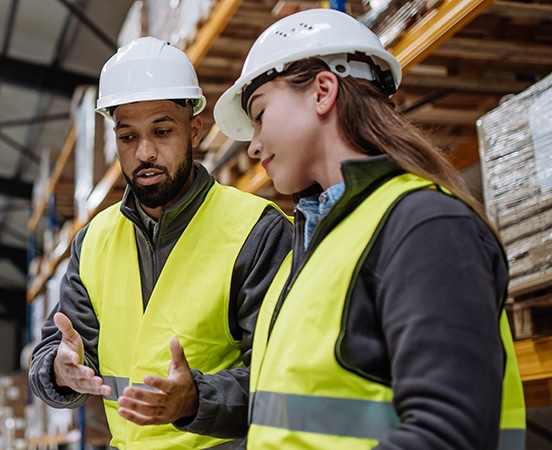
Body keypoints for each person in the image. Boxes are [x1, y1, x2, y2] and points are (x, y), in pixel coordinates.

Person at [210, 8, 527, 449]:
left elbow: (447, 433)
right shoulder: (315, 248)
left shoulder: (425, 227)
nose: (254, 145)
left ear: (322, 91)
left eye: (260, 114)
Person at [27, 37, 293, 449]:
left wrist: (196, 398)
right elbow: (53, 350)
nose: (145, 153)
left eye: (162, 131)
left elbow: (283, 378)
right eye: (128, 137)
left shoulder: (257, 231)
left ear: (194, 130)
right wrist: (60, 371)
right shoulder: (94, 241)